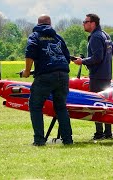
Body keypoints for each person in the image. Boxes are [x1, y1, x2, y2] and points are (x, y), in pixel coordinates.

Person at [22, 14, 73, 146]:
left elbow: (30, 53)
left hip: (45, 76)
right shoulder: (58, 37)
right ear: (50, 24)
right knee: (61, 107)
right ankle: (68, 140)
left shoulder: (35, 36)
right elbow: (67, 58)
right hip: (63, 74)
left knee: (35, 105)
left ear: (38, 24)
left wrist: (27, 71)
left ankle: (39, 140)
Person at [73, 13, 113, 140]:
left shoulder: (95, 37)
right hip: (106, 76)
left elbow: (97, 58)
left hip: (97, 76)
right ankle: (107, 133)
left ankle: (99, 134)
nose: (83, 24)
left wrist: (82, 61)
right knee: (105, 104)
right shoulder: (105, 35)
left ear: (93, 23)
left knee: (96, 104)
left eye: (85, 21)